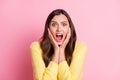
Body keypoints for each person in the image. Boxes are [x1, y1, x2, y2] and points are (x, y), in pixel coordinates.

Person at [30, 9, 87, 80]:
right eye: (54, 25)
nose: (59, 29)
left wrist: (62, 50)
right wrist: (56, 52)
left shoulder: (79, 47)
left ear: (69, 29)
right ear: (48, 29)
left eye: (64, 24)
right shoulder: (36, 47)